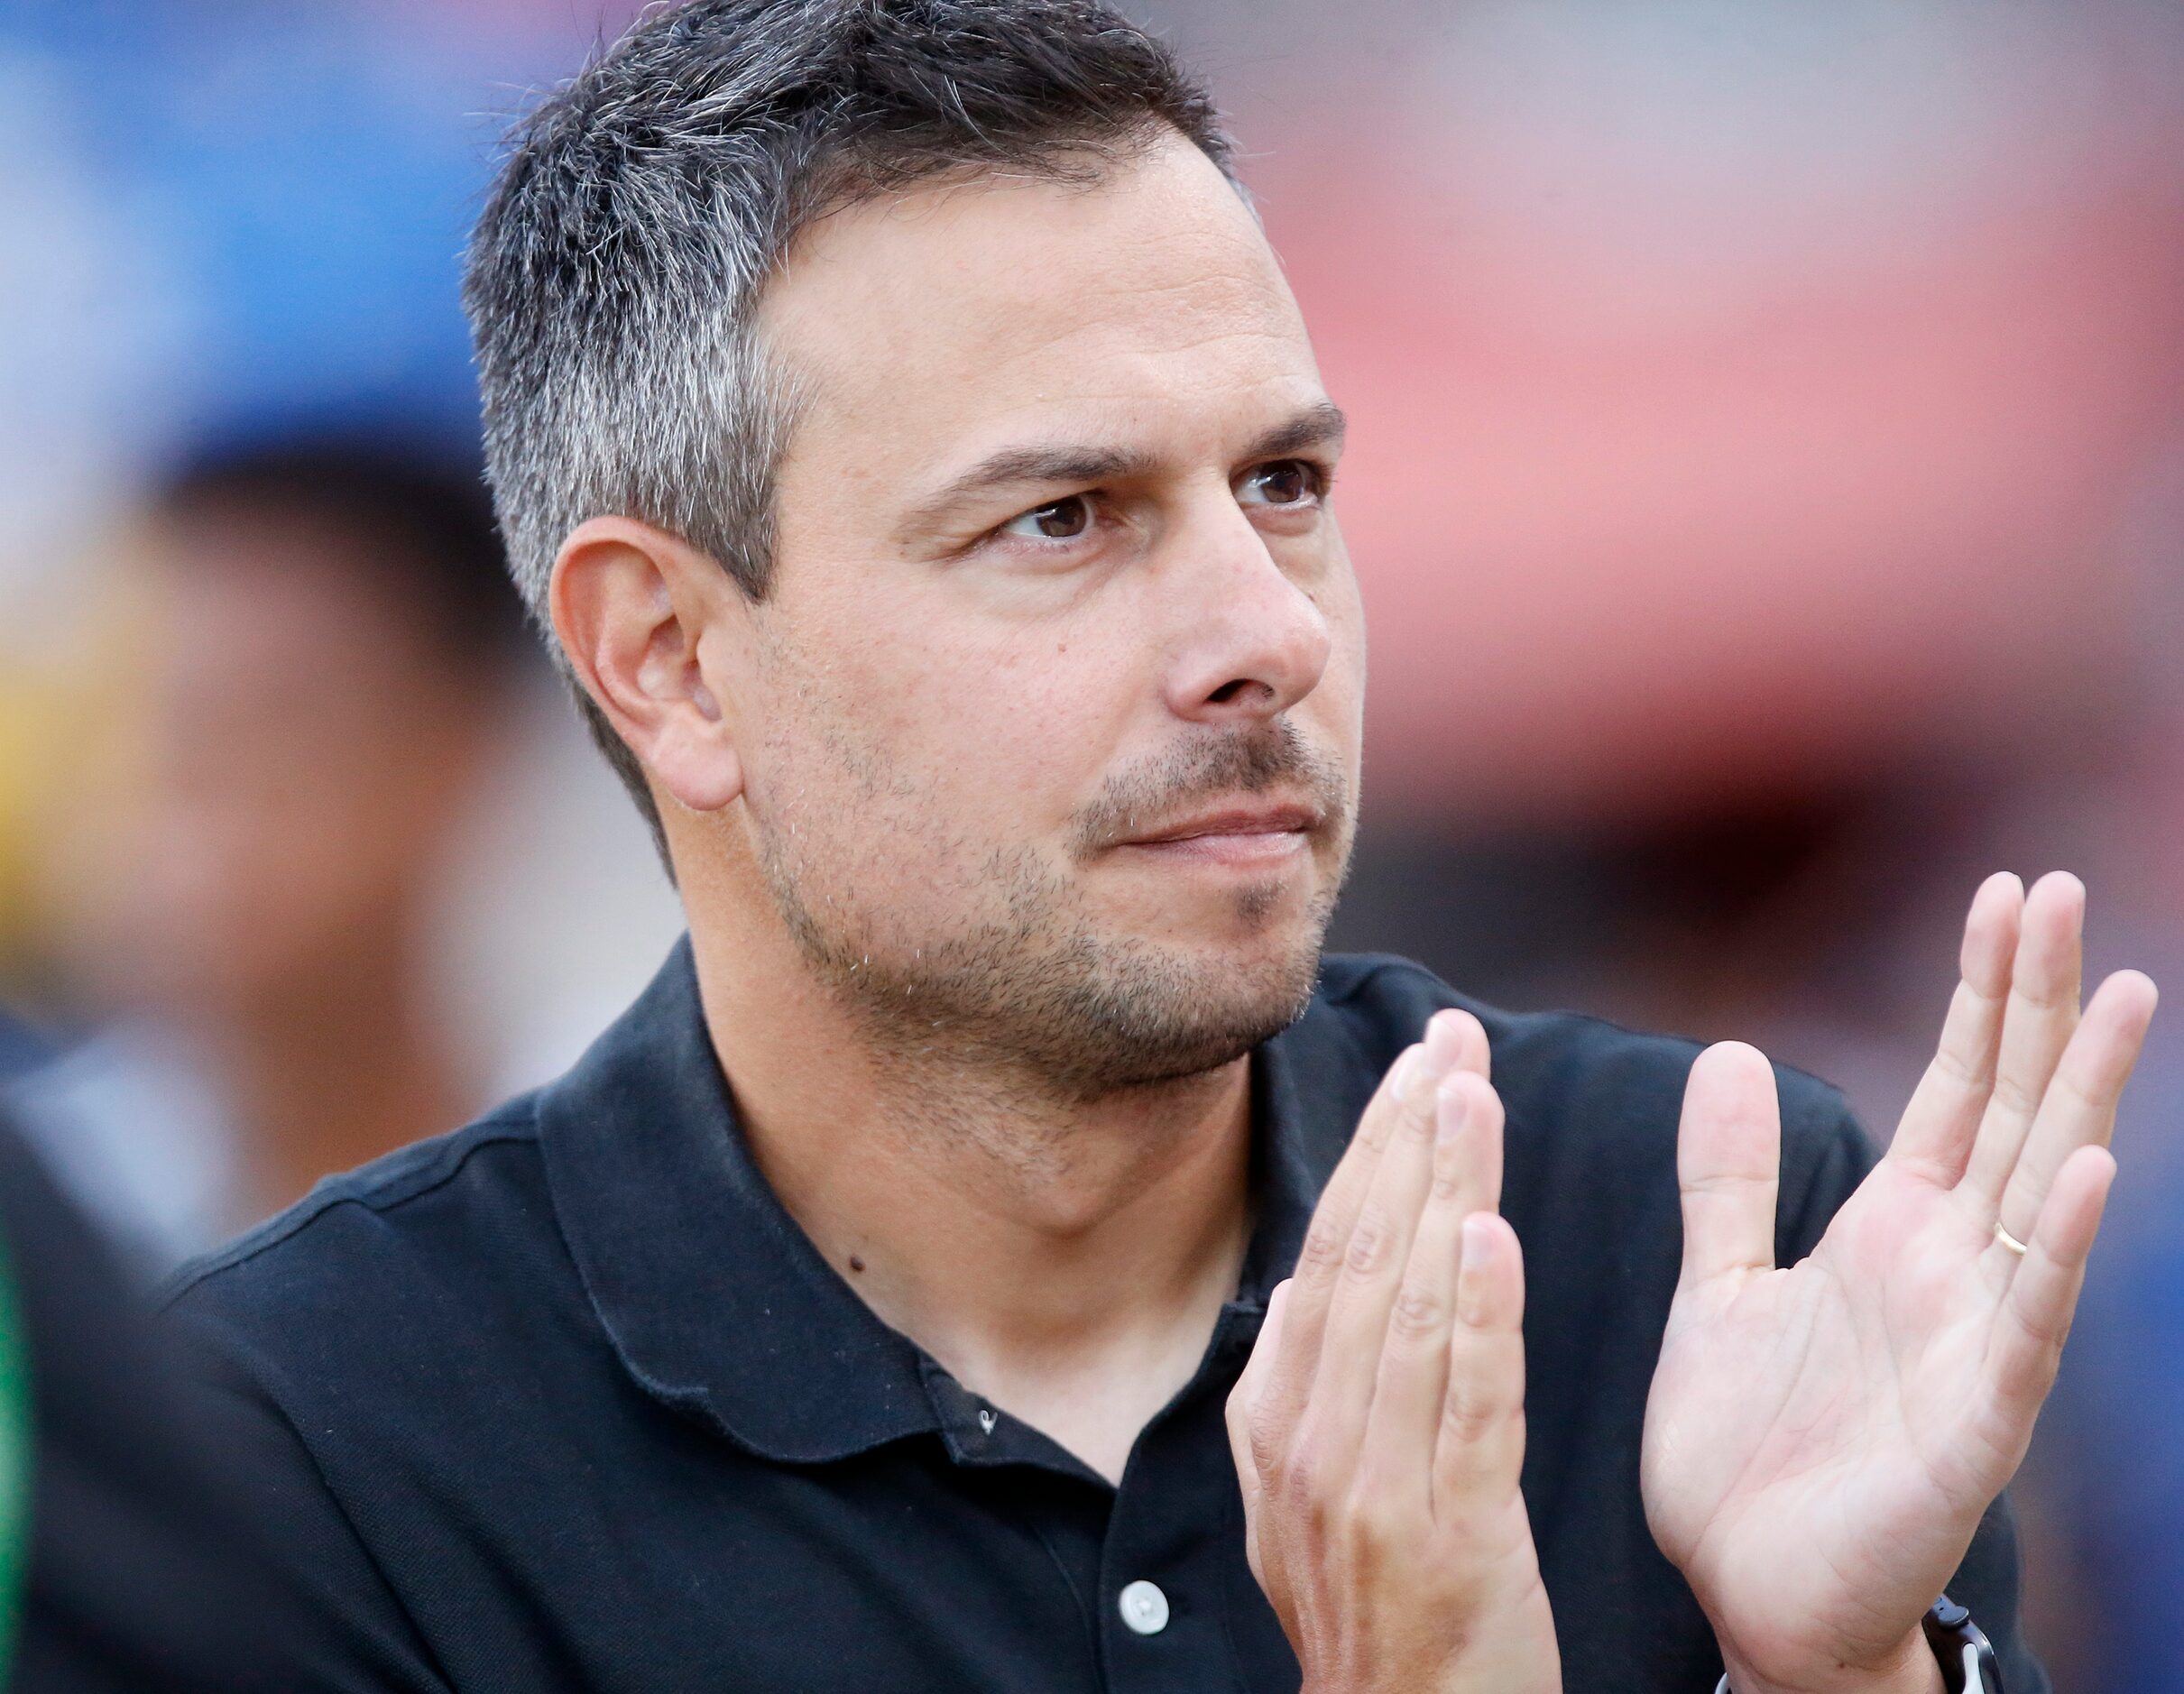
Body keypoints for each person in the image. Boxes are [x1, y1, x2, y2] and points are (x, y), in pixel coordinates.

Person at [165, 5, 2156, 1690]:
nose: (1266, 632)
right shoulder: (291, 1468)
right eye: (1064, 518)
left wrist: (1839, 1671)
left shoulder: (1686, 1238)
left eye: (1281, 483)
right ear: (670, 658)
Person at [8, 437, 528, 1275]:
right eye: (175, 730)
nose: (204, 808)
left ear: (459, 746)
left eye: (276, 728)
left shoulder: (611, 1156)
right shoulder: (50, 1208)